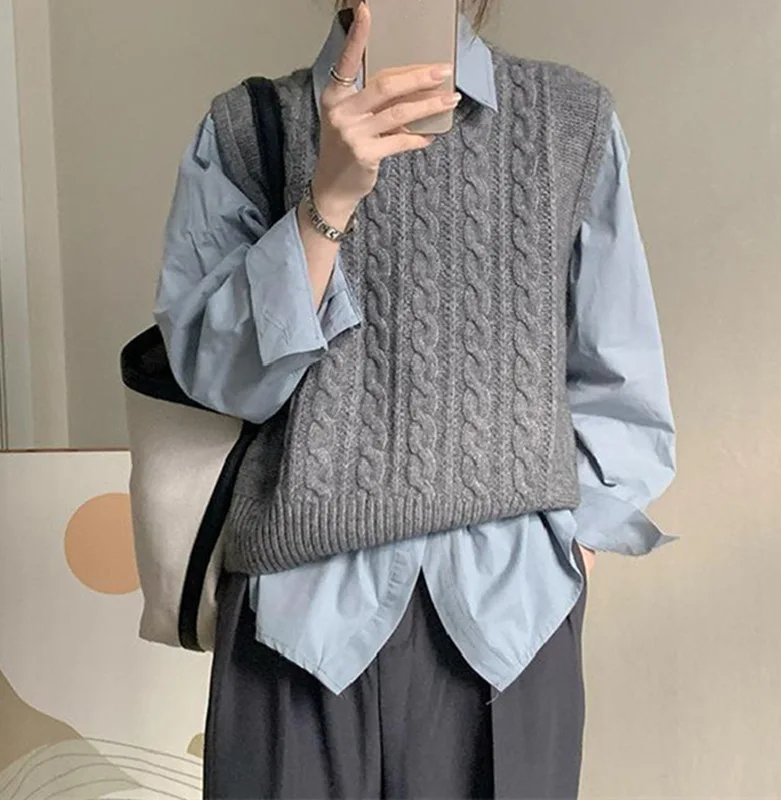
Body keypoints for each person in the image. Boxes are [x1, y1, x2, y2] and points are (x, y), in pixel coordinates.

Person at [154, 0, 677, 797]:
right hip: (295, 622)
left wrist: (573, 548)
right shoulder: (246, 127)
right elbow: (215, 376)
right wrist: (326, 201)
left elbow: (619, 377)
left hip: (509, 621)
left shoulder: (571, 121)